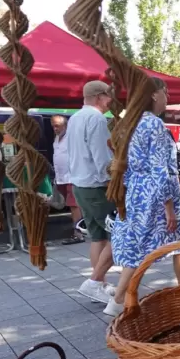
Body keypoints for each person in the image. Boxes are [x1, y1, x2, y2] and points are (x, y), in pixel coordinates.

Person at [105, 78, 180, 316]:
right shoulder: (154, 125)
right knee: (178, 244)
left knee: (136, 248)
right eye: (165, 92)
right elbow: (160, 169)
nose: (168, 97)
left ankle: (119, 299)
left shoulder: (128, 123)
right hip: (156, 192)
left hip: (135, 191)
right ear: (153, 95)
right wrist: (169, 207)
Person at [68, 80, 116, 303]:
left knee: (97, 237)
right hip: (97, 186)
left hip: (80, 185)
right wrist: (112, 181)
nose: (110, 101)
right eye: (108, 96)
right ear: (99, 96)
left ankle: (99, 285)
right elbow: (102, 157)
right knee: (120, 236)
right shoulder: (96, 119)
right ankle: (95, 281)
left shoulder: (75, 118)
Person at [51, 115, 84, 245]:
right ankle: (82, 229)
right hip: (61, 178)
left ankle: (78, 234)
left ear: (65, 125)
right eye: (53, 126)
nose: (55, 128)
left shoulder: (72, 137)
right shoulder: (56, 139)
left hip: (72, 176)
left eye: (57, 126)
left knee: (74, 205)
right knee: (73, 206)